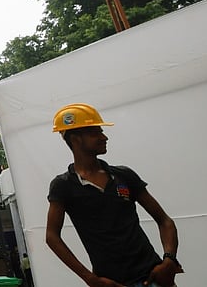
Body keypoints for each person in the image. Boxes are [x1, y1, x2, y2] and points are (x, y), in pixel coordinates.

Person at [45, 103, 183, 287]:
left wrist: (169, 261)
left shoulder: (123, 175)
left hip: (152, 277)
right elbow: (52, 236)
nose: (104, 137)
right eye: (96, 132)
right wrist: (90, 279)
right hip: (111, 282)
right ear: (76, 139)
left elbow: (164, 220)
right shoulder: (63, 186)